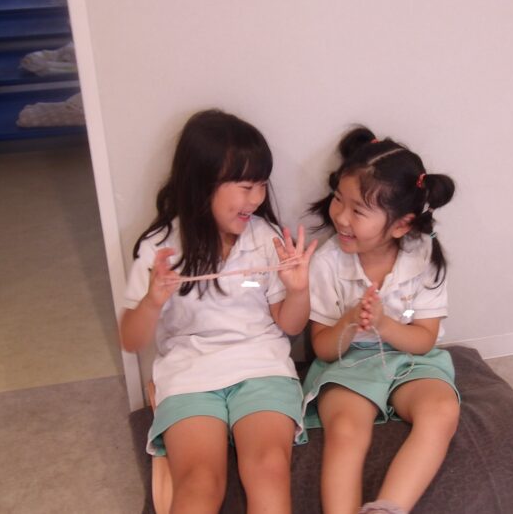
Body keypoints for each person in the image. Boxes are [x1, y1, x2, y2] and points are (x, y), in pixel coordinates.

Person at [120, 109, 317, 514]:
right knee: (200, 482)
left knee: (268, 467)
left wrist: (299, 291)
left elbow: (290, 325)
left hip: (261, 366)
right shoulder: (161, 247)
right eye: (245, 187)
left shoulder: (265, 239)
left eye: (261, 185)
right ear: (202, 184)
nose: (257, 198)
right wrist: (153, 300)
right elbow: (130, 340)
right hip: (189, 375)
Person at [302, 126, 461, 514]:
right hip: (348, 365)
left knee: (442, 411)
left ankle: (386, 509)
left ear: (401, 224)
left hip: (411, 360)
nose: (341, 217)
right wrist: (349, 322)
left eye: (358, 211)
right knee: (345, 429)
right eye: (338, 200)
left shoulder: (423, 256)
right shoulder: (327, 262)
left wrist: (386, 326)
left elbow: (424, 340)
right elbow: (322, 348)